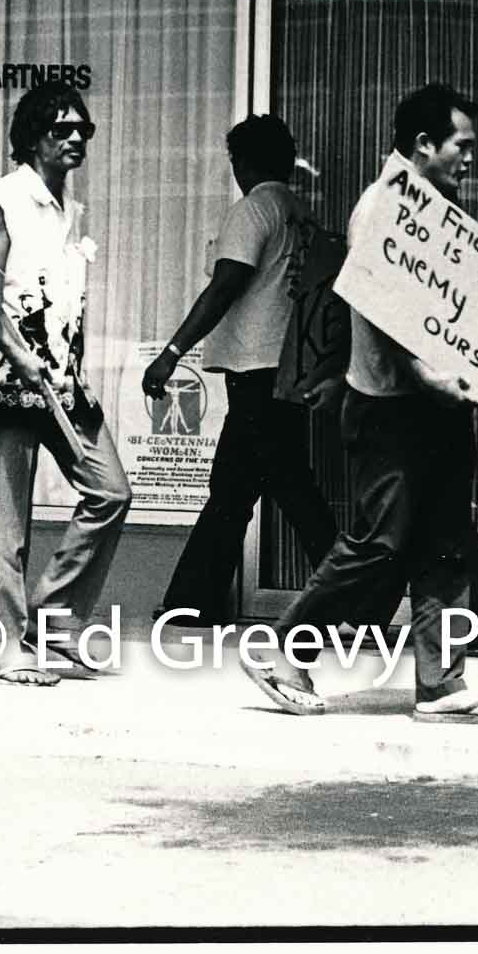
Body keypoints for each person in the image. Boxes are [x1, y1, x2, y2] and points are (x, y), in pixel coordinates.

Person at [242, 83, 478, 725]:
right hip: (394, 407)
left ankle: (441, 683)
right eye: (461, 146)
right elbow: (379, 303)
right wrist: (426, 373)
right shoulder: (384, 208)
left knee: (444, 544)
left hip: (435, 406)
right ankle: (284, 652)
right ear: (423, 145)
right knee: (378, 543)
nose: (469, 159)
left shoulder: (435, 208)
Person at [0, 80, 131, 685]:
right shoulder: (2, 204)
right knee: (9, 518)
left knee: (110, 491)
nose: (76, 138)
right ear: (34, 137)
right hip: (11, 379)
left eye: (84, 129)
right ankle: (2, 647)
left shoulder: (66, 208)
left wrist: (61, 364)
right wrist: (17, 352)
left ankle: (55, 619)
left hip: (62, 378)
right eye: (63, 129)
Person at [142, 114, 337, 625]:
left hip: (257, 368)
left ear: (243, 162)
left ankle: (351, 599)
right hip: (287, 366)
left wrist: (173, 351)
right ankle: (192, 602)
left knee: (288, 490)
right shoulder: (300, 215)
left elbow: (225, 284)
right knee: (235, 489)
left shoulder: (254, 210)